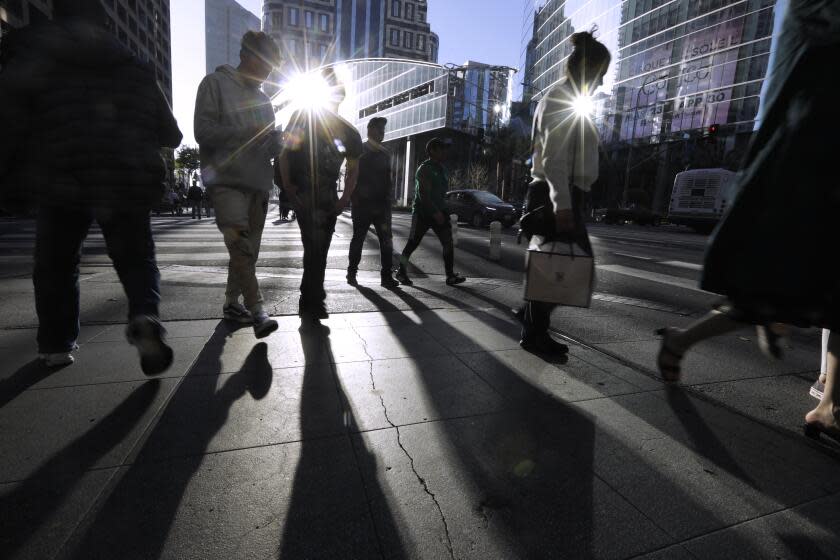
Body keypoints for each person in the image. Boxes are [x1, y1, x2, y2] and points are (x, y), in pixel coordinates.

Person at [654, 0, 840, 441]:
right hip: (805, 164)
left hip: (817, 161)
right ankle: (684, 340)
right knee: (768, 291)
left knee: (809, 292)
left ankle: (828, 404)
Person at [0, 0, 182, 373]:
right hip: (126, 175)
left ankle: (56, 344)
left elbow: (10, 122)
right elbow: (171, 133)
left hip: (62, 174)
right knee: (136, 258)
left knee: (57, 262)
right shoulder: (135, 66)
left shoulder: (34, 58)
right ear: (104, 24)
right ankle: (145, 316)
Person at [516, 31, 611, 356]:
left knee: (555, 264)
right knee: (576, 270)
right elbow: (555, 160)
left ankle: (531, 318)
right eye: (601, 75)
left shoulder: (567, 98)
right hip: (556, 192)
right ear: (589, 71)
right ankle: (533, 330)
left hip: (561, 192)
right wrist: (563, 205)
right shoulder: (560, 100)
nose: (601, 83)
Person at [194, 31, 282, 338]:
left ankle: (232, 304)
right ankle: (257, 309)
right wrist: (247, 132)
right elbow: (203, 131)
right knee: (241, 246)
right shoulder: (214, 84)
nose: (268, 71)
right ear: (246, 54)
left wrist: (276, 144)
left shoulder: (265, 100)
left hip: (258, 184)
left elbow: (266, 146)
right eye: (266, 62)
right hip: (226, 181)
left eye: (272, 66)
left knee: (247, 252)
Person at [277, 68, 363, 324]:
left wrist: (344, 198)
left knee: (319, 247)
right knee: (314, 245)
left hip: (324, 197)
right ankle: (313, 298)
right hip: (306, 194)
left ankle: (311, 297)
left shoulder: (348, 132)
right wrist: (290, 189)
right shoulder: (302, 117)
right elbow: (283, 154)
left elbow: (353, 169)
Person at [395, 138, 466, 287]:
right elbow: (423, 195)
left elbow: (441, 193)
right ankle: (401, 271)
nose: (444, 152)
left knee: (448, 242)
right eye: (441, 149)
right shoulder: (425, 169)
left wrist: (443, 211)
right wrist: (435, 212)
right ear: (432, 151)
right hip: (422, 213)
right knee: (412, 243)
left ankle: (450, 275)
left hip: (440, 212)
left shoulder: (442, 169)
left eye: (444, 149)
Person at [347, 117, 399, 289]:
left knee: (386, 241)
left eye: (384, 130)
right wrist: (354, 199)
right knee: (358, 239)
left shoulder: (386, 153)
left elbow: (388, 179)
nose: (382, 134)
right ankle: (352, 272)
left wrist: (388, 199)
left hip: (382, 206)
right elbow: (350, 175)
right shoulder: (358, 150)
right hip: (362, 206)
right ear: (369, 130)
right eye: (379, 130)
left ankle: (386, 276)